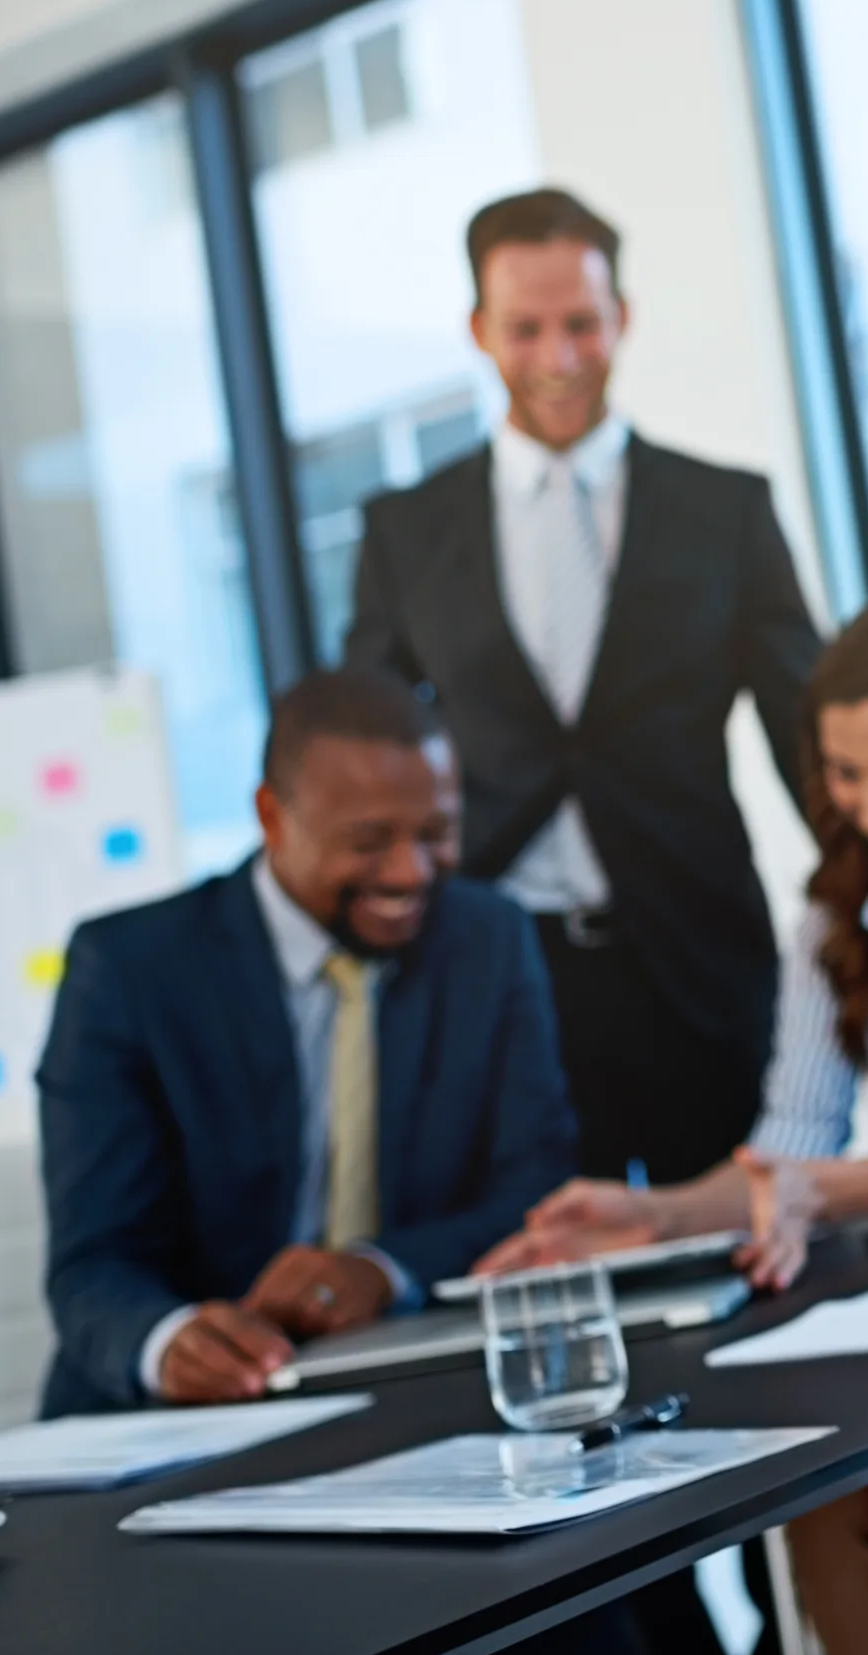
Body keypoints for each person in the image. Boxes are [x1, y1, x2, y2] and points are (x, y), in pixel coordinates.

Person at [480, 596, 868, 1655]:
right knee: (826, 1507)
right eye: (846, 774)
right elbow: (794, 1142)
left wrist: (832, 1189)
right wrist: (657, 1208)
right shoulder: (839, 917)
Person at [343, 186, 824, 1191]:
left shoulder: (725, 509)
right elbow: (367, 747)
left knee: (751, 1240)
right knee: (539, 1244)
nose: (558, 356)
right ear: (480, 331)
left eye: (581, 324)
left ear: (622, 318)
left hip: (696, 952)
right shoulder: (407, 530)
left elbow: (803, 730)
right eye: (526, 328)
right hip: (501, 962)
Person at [36, 667, 577, 1417]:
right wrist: (167, 1340)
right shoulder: (129, 970)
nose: (410, 871)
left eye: (436, 832)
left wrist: (381, 1270)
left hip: (410, 1391)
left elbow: (537, 1185)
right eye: (368, 840)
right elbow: (94, 1261)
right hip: (178, 1421)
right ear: (271, 815)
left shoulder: (488, 939)